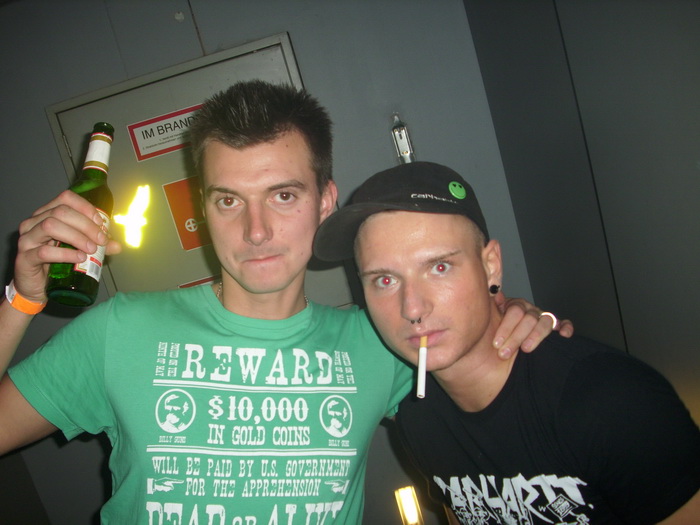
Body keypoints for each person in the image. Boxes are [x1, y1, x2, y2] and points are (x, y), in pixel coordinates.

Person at [0, 81, 569, 524]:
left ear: (325, 202)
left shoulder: (384, 341)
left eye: (283, 195)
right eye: (229, 200)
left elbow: (494, 391)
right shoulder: (120, 331)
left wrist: (509, 316)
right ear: (204, 208)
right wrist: (21, 299)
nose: (255, 231)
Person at [312, 161, 700, 524]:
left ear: (491, 266)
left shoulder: (612, 401)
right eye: (384, 280)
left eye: (440, 267)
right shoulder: (418, 419)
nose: (412, 308)